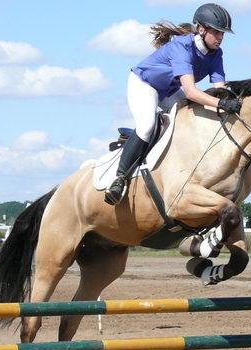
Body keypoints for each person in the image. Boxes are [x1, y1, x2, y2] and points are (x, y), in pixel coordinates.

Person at [104, 3, 242, 205]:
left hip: (168, 90)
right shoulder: (182, 47)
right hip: (144, 84)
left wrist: (232, 102)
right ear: (201, 29)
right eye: (216, 32)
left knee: (192, 120)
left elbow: (220, 89)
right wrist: (221, 103)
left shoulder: (216, 54)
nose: (220, 37)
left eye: (222, 33)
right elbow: (191, 92)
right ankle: (120, 179)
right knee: (147, 126)